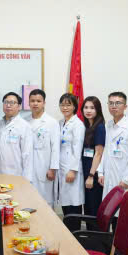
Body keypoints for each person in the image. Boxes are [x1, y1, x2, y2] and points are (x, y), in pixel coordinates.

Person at [97, 92, 128, 197]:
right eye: (111, 103)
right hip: (108, 176)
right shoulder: (108, 125)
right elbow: (106, 151)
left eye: (118, 103)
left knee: (123, 205)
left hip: (123, 178)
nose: (114, 106)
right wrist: (101, 172)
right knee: (109, 205)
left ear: (125, 106)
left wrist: (127, 179)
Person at [25, 89, 60, 204]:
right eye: (32, 101)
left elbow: (55, 147)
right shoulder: (25, 121)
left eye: (38, 101)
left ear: (44, 103)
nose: (35, 103)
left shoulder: (51, 122)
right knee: (28, 198)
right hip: (28, 166)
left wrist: (53, 168)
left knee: (45, 199)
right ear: (29, 103)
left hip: (44, 166)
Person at [0, 92, 34, 179]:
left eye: (12, 103)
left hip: (15, 174)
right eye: (6, 102)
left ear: (19, 106)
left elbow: (27, 155)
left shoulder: (24, 126)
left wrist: (27, 179)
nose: (8, 105)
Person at [58, 93, 86, 231]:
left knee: (73, 202)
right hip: (62, 167)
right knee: (65, 201)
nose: (65, 107)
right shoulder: (60, 123)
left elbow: (77, 148)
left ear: (74, 106)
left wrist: (73, 170)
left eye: (68, 104)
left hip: (71, 169)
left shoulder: (78, 124)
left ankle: (75, 233)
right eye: (62, 104)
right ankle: (68, 232)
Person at [81, 96, 106, 222]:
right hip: (86, 171)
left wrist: (91, 176)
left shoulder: (99, 127)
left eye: (92, 108)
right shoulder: (86, 126)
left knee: (94, 209)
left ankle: (95, 233)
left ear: (98, 110)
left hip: (93, 173)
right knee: (88, 208)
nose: (88, 110)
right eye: (86, 107)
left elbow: (98, 154)